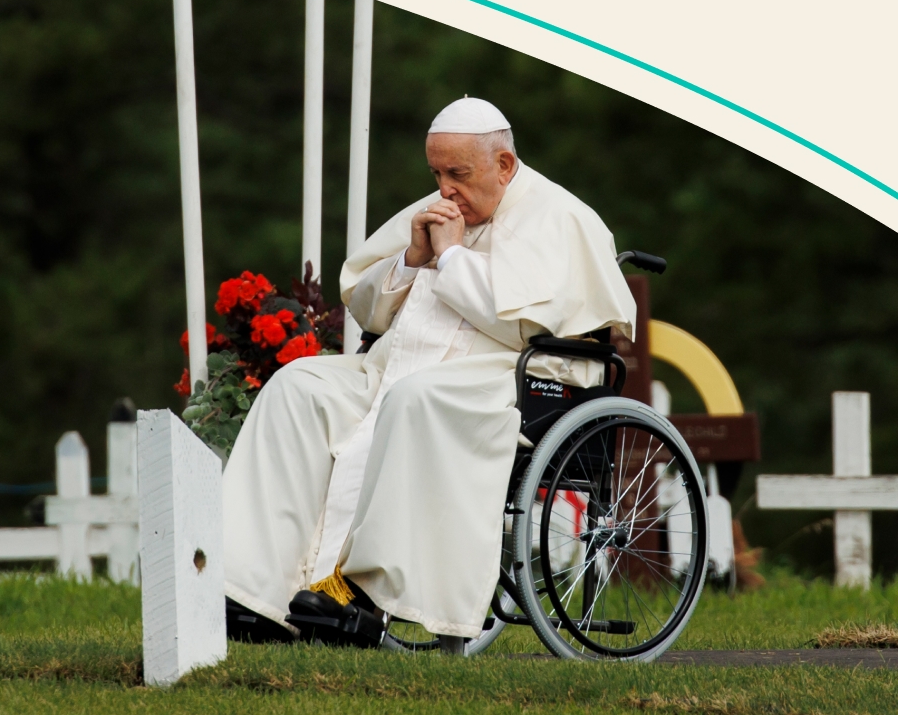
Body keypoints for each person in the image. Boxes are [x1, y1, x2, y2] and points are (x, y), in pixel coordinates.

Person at [220, 97, 635, 648]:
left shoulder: (563, 218)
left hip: (506, 382)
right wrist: (411, 259)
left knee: (415, 400)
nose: (445, 190)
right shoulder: (436, 211)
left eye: (457, 174)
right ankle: (253, 592)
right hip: (390, 369)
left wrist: (454, 257)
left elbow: (523, 323)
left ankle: (364, 598)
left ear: (504, 165)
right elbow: (368, 311)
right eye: (437, 173)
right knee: (298, 387)